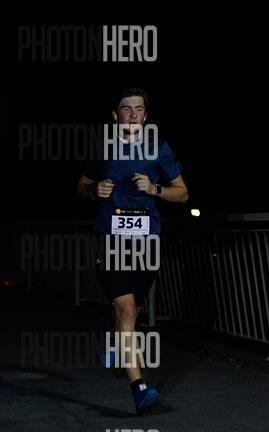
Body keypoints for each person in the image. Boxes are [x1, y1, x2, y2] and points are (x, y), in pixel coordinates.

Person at [77, 88, 188, 414]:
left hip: (146, 240)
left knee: (133, 308)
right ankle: (139, 389)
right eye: (127, 109)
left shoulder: (158, 149)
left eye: (139, 109)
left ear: (145, 116)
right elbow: (80, 187)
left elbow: (182, 193)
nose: (133, 114)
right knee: (126, 309)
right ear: (116, 115)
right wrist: (94, 190)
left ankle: (108, 333)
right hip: (111, 238)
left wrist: (155, 188)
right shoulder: (102, 149)